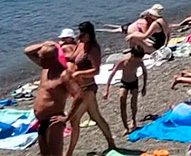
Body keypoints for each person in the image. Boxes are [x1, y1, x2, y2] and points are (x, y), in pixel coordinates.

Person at [64, 22, 116, 156]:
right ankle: (111, 144)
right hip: (79, 88)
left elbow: (96, 70)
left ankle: (68, 153)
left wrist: (79, 74)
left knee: (74, 119)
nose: (80, 36)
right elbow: (73, 58)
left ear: (89, 34)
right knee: (96, 116)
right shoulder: (80, 43)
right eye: (79, 33)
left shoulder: (93, 48)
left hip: (87, 88)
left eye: (83, 34)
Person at [23, 41, 78, 156]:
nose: (40, 61)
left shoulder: (63, 75)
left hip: (54, 121)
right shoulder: (45, 69)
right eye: (40, 58)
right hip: (41, 121)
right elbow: (27, 51)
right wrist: (47, 44)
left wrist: (67, 117)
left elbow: (79, 95)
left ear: (53, 59)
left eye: (43, 59)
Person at [103, 44, 147, 132]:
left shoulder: (139, 62)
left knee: (133, 102)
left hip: (134, 82)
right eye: (138, 58)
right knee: (122, 99)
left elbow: (145, 73)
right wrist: (106, 89)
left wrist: (144, 87)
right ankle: (125, 126)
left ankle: (133, 120)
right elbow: (112, 74)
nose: (139, 60)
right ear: (133, 56)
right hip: (124, 82)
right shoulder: (123, 62)